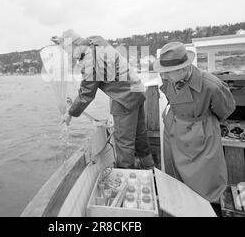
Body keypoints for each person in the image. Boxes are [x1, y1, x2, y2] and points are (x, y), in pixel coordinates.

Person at [53, 29, 154, 170]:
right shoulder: (97, 42)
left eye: (68, 50)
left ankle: (125, 175)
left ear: (75, 45)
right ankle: (149, 167)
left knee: (124, 143)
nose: (69, 55)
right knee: (140, 135)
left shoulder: (90, 60)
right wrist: (62, 40)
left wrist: (70, 113)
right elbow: (85, 41)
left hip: (124, 99)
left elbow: (87, 92)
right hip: (137, 91)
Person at [153, 41, 236, 212]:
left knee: (207, 183)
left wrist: (201, 121)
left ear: (184, 68)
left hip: (202, 134)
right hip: (175, 130)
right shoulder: (167, 77)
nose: (165, 76)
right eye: (164, 72)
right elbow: (170, 96)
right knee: (176, 180)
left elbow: (226, 109)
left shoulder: (211, 84)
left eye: (168, 72)